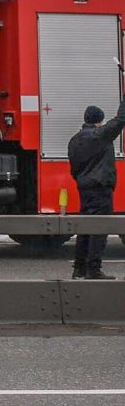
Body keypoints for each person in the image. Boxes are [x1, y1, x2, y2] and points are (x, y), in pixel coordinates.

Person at [68, 100, 125, 279]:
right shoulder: (100, 136)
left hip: (84, 188)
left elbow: (74, 168)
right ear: (99, 121)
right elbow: (120, 119)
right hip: (100, 189)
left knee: (84, 228)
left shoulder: (74, 140)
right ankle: (93, 269)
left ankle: (79, 268)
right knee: (99, 230)